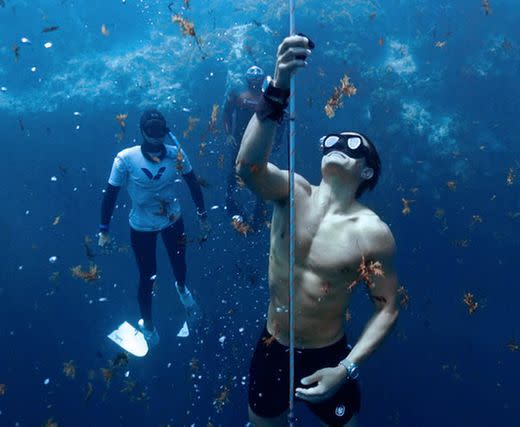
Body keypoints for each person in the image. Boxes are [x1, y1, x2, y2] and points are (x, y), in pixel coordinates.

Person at [236, 35, 400, 427]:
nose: (336, 143)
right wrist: (277, 88)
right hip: (272, 345)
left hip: (328, 353)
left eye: (351, 142)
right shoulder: (293, 192)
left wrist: (346, 369)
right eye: (330, 140)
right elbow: (247, 168)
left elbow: (388, 308)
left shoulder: (374, 233)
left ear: (368, 170)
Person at [98, 108, 210, 347]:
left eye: (160, 131)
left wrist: (203, 215)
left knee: (180, 263)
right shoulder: (125, 159)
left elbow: (192, 183)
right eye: (152, 131)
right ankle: (149, 327)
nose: (157, 137)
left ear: (166, 130)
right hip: (142, 226)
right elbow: (110, 195)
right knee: (147, 277)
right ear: (142, 131)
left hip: (172, 220)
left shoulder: (175, 154)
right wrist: (103, 230)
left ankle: (183, 291)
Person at [223, 65, 286, 231]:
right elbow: (226, 113)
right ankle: (232, 207)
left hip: (261, 143)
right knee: (234, 172)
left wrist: (277, 141)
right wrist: (229, 134)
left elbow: (281, 120)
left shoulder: (266, 97)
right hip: (239, 141)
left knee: (259, 172)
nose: (255, 80)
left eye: (257, 77)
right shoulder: (237, 95)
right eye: (252, 77)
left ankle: (259, 211)